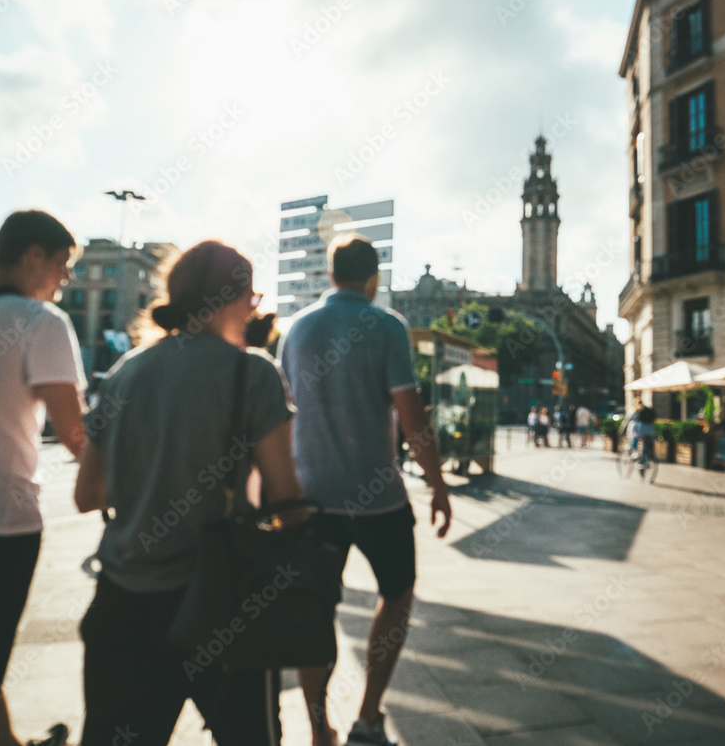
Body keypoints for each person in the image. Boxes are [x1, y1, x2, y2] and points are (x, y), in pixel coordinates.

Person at [73, 241, 302, 745]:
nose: (255, 309)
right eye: (252, 297)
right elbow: (285, 494)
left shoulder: (124, 372)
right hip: (219, 603)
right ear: (232, 298)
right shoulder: (253, 372)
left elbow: (88, 494)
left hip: (122, 606)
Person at [278, 234, 451, 746]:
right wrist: (437, 484)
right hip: (379, 499)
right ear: (373, 278)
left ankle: (317, 729)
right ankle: (370, 716)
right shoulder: (387, 326)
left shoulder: (298, 329)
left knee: (315, 611)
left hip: (312, 498)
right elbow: (411, 414)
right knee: (396, 595)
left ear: (331, 274)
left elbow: (284, 415)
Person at [0, 210, 85, 746]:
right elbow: (73, 434)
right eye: (62, 264)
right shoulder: (39, 321)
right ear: (34, 256)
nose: (65, 279)